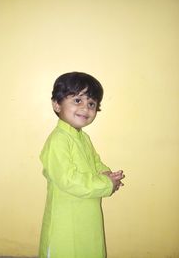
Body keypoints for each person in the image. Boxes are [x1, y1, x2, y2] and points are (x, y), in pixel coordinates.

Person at [39, 72, 125, 258]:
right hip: (65, 218)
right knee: (66, 249)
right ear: (57, 104)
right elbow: (68, 180)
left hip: (88, 210)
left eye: (91, 103)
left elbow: (95, 161)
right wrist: (106, 184)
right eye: (78, 100)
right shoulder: (58, 140)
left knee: (88, 248)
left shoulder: (82, 138)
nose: (86, 108)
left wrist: (107, 174)